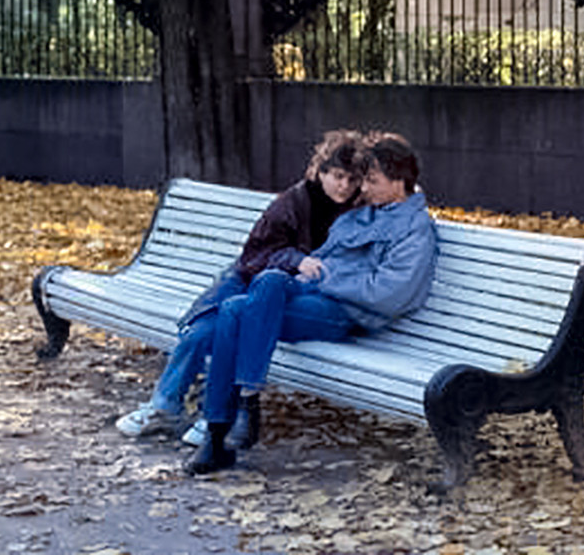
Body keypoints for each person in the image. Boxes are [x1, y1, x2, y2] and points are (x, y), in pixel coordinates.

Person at [187, 130, 438, 475]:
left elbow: (388, 293)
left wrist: (326, 278)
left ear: (399, 182)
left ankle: (221, 429)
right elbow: (324, 247)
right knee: (263, 285)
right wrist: (304, 275)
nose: (361, 189)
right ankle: (235, 412)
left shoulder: (415, 230)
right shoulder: (369, 210)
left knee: (236, 311)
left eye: (372, 181)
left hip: (346, 312)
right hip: (313, 293)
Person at [115, 129, 364, 445]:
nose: (344, 186)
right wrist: (295, 260)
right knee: (200, 332)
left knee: (234, 325)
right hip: (247, 278)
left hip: (283, 295)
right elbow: (255, 254)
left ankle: (217, 415)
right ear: (320, 171)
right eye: (338, 176)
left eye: (352, 180)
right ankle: (164, 408)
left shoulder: (358, 209)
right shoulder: (292, 202)